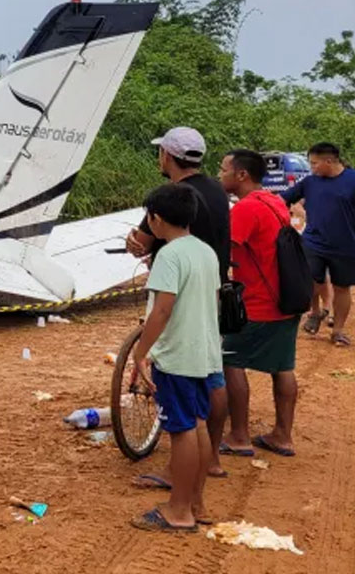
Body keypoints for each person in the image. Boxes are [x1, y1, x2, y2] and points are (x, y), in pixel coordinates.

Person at [124, 127, 232, 485]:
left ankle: (179, 484)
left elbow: (162, 308)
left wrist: (142, 351)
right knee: (211, 387)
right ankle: (210, 462)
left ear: (167, 156)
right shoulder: (217, 191)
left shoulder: (169, 201)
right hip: (209, 299)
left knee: (183, 422)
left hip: (178, 313)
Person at [129, 184, 223, 532]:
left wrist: (141, 352)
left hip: (177, 356)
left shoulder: (168, 256)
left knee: (181, 431)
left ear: (155, 219)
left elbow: (162, 309)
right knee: (197, 424)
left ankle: (178, 511)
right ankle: (196, 502)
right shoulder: (206, 251)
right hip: (204, 352)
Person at [218, 150, 302, 458]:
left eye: (223, 169)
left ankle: (239, 435)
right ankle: (283, 435)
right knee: (283, 366)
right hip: (287, 298)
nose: (219, 174)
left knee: (231, 361)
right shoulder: (274, 201)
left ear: (241, 175)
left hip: (257, 303)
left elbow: (224, 250)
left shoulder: (245, 209)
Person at [281, 142, 355, 346]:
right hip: (314, 242)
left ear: (329, 161)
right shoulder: (310, 182)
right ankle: (315, 312)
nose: (311, 167)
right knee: (309, 278)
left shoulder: (352, 180)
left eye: (314, 163)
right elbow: (283, 199)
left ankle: (338, 330)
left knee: (342, 288)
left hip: (346, 246)